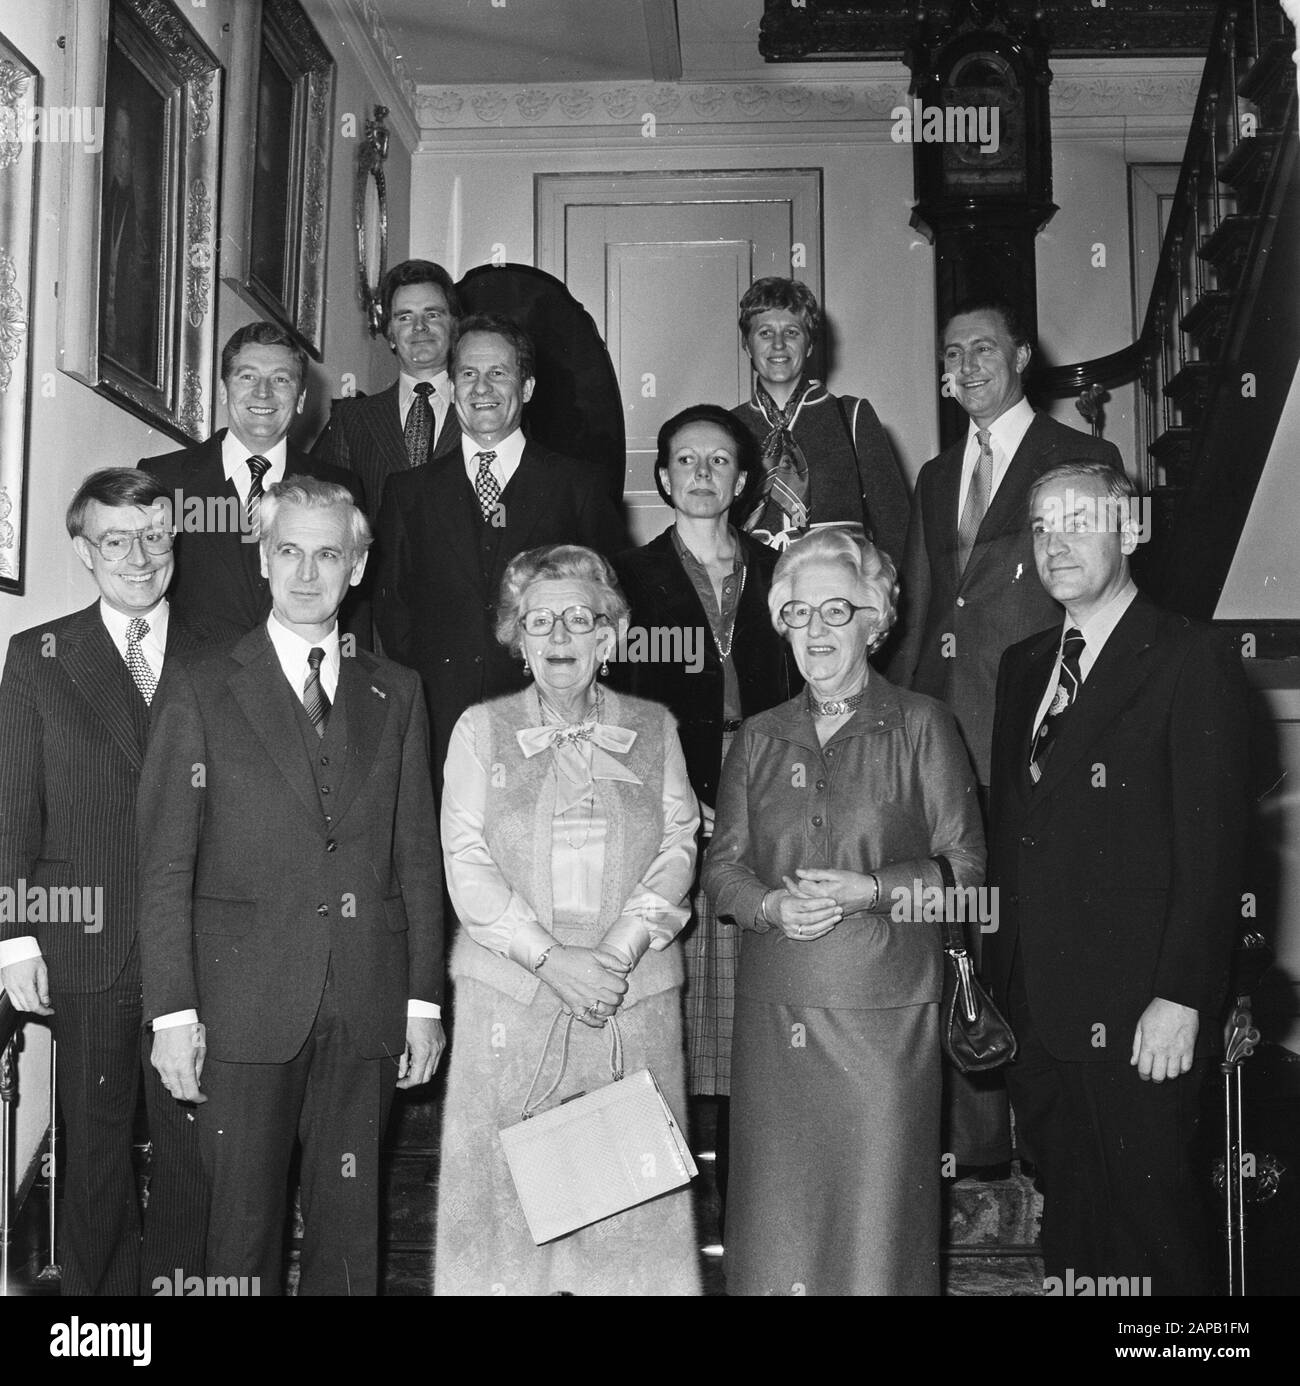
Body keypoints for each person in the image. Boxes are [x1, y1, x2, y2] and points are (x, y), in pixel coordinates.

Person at [137, 477, 444, 1296]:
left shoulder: (398, 690)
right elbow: (165, 865)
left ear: (360, 565)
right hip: (243, 1008)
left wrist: (422, 1001)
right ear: (263, 557)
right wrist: (172, 1012)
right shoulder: (200, 683)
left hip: (367, 1003)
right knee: (240, 1240)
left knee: (351, 1242)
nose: (308, 573)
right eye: (290, 551)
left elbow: (416, 854)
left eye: (329, 554)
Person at [985, 461, 1249, 1295]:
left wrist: (1183, 996)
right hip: (1039, 1013)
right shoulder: (1023, 666)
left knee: (1156, 1243)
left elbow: (1216, 855)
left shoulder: (1190, 656)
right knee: (1073, 1235)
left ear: (1130, 529)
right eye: (1041, 525)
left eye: (1077, 520)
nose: (1054, 542)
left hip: (1143, 1014)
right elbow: (1012, 840)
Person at [703, 526, 984, 1295]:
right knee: (778, 1225)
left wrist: (874, 889)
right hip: (776, 1013)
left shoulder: (924, 724)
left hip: (886, 1019)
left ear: (876, 619)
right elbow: (721, 873)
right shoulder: (757, 738)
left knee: (876, 1225)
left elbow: (966, 872)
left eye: (838, 610)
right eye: (799, 612)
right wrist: (767, 906)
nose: (817, 630)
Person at [886, 295, 1124, 1174]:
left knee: (1044, 930)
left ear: (1023, 354)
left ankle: (1058, 1138)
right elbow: (917, 610)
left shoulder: (1082, 458)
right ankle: (976, 1148)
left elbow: (1102, 602)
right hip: (947, 738)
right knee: (959, 933)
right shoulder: (937, 473)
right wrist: (901, 722)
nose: (968, 365)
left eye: (985, 348)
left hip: (1040, 729)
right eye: (953, 353)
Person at [437, 544, 700, 1295]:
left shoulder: (655, 727)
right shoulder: (478, 730)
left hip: (629, 1000)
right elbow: (466, 860)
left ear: (608, 636)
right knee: (503, 1226)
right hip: (511, 1003)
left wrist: (614, 954)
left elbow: (680, 844)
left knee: (627, 1225)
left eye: (578, 619)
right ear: (517, 639)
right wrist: (553, 959)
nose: (558, 636)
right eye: (539, 620)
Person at [0, 469, 219, 1295]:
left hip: (195, 948)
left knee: (194, 1148)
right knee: (92, 1157)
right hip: (85, 945)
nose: (138, 556)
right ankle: (102, 1327)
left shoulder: (222, 655)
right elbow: (10, 807)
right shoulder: (40, 655)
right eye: (115, 540)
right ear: (85, 551)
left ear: (175, 540)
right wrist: (16, 937)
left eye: (154, 536)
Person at [612, 404, 797, 1212]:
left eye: (718, 461)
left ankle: (748, 1197)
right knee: (675, 1008)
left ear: (744, 480)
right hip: (669, 811)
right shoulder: (630, 577)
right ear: (661, 477)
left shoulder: (779, 573)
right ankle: (672, 1201)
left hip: (764, 808)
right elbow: (618, 709)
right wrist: (682, 794)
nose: (699, 474)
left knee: (751, 1008)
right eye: (684, 460)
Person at [376, 313, 626, 779]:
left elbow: (610, 613)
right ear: (450, 389)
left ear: (526, 388)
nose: (481, 387)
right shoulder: (408, 493)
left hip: (551, 726)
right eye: (468, 374)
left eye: (498, 373)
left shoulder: (577, 486)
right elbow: (394, 617)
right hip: (441, 732)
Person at [140, 322, 363, 634]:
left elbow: (353, 608)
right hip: (194, 676)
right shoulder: (163, 478)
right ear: (222, 389)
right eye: (247, 376)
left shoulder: (339, 487)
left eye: (281, 380)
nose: (263, 392)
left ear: (300, 399)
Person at [730, 276, 909, 561]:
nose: (778, 345)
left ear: (810, 344)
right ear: (747, 345)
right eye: (765, 333)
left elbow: (896, 529)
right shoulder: (728, 428)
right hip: (755, 596)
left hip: (840, 593)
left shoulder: (850, 417)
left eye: (791, 332)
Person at [313, 259, 462, 524]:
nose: (420, 327)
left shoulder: (483, 409)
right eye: (405, 317)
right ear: (390, 333)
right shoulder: (352, 420)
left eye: (433, 314)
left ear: (453, 326)